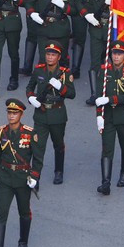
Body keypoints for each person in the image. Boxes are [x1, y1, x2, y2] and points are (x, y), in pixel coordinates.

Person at [0, 98, 42, 247]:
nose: (11, 116)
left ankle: (23, 242)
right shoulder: (1, 132)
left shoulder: (30, 134)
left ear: (21, 114)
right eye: (9, 113)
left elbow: (38, 159)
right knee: (1, 213)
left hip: (22, 178)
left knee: (24, 212)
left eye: (15, 113)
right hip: (5, 178)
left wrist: (34, 177)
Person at [25, 43, 75, 185]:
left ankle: (58, 171)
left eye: (53, 55)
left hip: (57, 113)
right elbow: (29, 87)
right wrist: (31, 98)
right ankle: (35, 177)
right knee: (37, 146)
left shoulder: (65, 73)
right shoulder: (38, 70)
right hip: (41, 114)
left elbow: (72, 94)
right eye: (48, 54)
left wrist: (61, 87)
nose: (50, 57)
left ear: (59, 57)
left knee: (58, 145)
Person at [95, 40, 124, 195]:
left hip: (123, 116)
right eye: (114, 53)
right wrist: (99, 116)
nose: (116, 57)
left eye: (119, 54)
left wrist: (109, 99)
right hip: (107, 116)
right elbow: (99, 96)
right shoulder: (104, 71)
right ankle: (105, 182)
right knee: (107, 149)